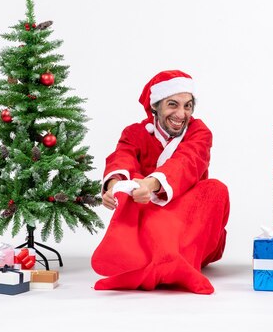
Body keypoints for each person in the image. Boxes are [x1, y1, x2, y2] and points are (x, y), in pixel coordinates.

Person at [91, 70, 230, 294]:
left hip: (191, 226)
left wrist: (151, 184)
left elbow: (187, 161)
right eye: (173, 104)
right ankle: (151, 260)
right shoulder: (135, 132)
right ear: (155, 106)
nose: (181, 114)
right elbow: (122, 157)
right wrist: (113, 186)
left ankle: (166, 263)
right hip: (149, 227)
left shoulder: (199, 132)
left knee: (216, 189)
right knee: (131, 181)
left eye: (188, 106)